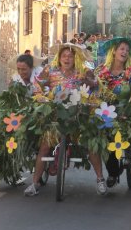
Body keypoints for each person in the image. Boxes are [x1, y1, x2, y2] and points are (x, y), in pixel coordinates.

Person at [23, 43, 101, 196]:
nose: (67, 58)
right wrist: (41, 97)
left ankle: (100, 180)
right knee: (44, 147)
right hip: (55, 118)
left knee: (91, 145)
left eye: (70, 56)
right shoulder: (50, 71)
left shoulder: (82, 71)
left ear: (75, 58)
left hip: (77, 118)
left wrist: (90, 83)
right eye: (64, 56)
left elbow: (95, 84)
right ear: (59, 58)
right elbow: (37, 84)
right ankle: (34, 183)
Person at [94, 36, 131, 188]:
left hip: (126, 110)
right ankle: (113, 172)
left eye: (127, 50)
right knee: (103, 139)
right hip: (105, 111)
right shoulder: (102, 70)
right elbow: (95, 90)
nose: (125, 52)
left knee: (120, 134)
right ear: (114, 51)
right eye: (122, 49)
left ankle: (124, 160)